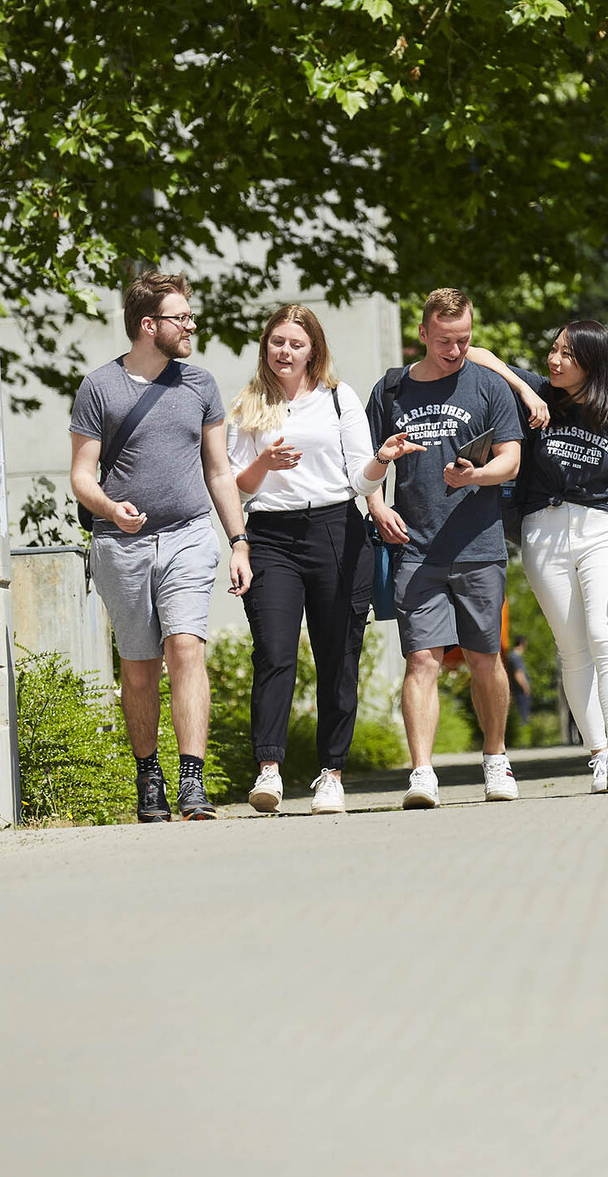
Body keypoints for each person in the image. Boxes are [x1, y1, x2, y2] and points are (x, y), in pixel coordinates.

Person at [69, 270, 252, 822]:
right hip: (121, 546)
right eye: (181, 317)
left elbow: (219, 472)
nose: (191, 324)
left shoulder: (200, 384)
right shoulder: (99, 387)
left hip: (190, 535)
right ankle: (149, 778)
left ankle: (192, 781)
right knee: (140, 668)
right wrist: (108, 508)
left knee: (186, 648)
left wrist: (239, 541)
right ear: (149, 326)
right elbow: (81, 476)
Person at [226, 305, 419, 815]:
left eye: (295, 343)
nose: (284, 352)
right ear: (265, 346)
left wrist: (383, 457)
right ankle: (269, 769)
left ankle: (330, 773)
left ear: (314, 350)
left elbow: (360, 478)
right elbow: (233, 487)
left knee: (339, 656)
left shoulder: (339, 398)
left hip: (336, 529)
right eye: (276, 342)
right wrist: (264, 463)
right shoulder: (248, 405)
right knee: (274, 652)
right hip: (270, 536)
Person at [468, 320, 608, 793]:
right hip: (541, 532)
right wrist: (525, 392)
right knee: (572, 650)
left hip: (599, 530)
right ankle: (597, 756)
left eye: (567, 354)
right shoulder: (540, 392)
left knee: (604, 637)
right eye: (553, 350)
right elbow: (477, 353)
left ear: (592, 362)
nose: (554, 360)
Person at [365, 288, 531, 809]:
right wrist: (377, 505)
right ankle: (422, 773)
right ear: (422, 334)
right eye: (444, 340)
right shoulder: (390, 391)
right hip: (415, 547)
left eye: (463, 340)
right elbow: (367, 463)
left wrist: (476, 476)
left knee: (485, 657)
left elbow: (512, 461)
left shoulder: (489, 387)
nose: (455, 349)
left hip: (479, 547)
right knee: (421, 660)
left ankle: (496, 758)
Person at [508, 635, 533, 725]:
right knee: (523, 715)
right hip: (520, 691)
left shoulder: (512, 656)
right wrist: (525, 687)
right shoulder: (515, 657)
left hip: (517, 690)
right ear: (522, 643)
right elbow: (518, 674)